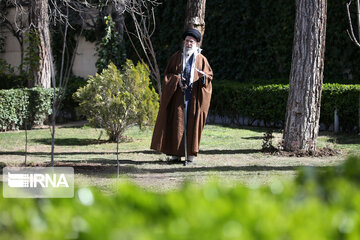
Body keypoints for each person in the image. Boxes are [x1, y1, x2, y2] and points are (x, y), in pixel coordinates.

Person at [150, 28, 213, 163]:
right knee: (176, 124)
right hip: (178, 97)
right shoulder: (176, 57)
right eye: (187, 41)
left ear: (196, 43)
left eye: (191, 41)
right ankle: (175, 155)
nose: (188, 44)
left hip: (194, 98)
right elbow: (167, 75)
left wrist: (203, 77)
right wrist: (176, 80)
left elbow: (209, 77)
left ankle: (190, 156)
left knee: (192, 126)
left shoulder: (202, 60)